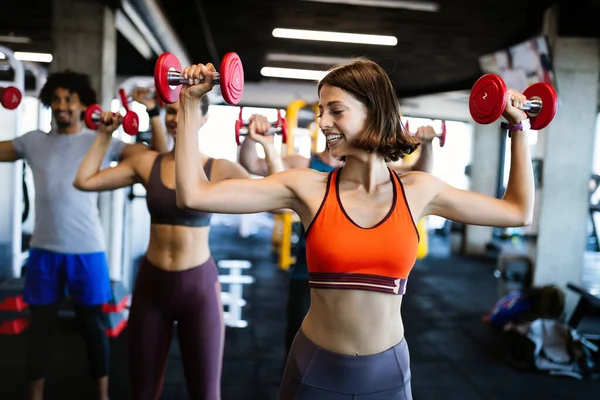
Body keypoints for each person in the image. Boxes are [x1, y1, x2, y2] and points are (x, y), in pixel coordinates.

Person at [174, 59, 534, 399]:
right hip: (315, 370)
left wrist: (519, 127)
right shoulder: (307, 188)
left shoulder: (420, 190)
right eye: (320, 112)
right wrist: (189, 104)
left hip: (389, 374)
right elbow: (193, 194)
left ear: (373, 111)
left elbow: (517, 211)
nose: (323, 122)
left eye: (336, 110)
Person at [73, 93, 279, 400]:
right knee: (142, 392)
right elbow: (84, 181)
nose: (175, 117)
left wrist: (265, 145)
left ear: (204, 118)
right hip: (151, 286)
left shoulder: (218, 168)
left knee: (206, 392)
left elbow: (278, 199)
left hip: (198, 289)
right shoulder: (146, 162)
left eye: (185, 110)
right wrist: (104, 136)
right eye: (171, 111)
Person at [0, 71, 148, 400]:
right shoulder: (33, 140)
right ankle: (34, 396)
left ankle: (102, 395)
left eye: (69, 99)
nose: (62, 105)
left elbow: (144, 159)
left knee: (93, 328)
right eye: (56, 99)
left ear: (83, 104)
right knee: (40, 330)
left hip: (87, 249)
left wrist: (124, 124)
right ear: (49, 103)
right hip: (43, 250)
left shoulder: (100, 141)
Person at [239, 118, 436, 356]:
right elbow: (251, 164)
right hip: (309, 272)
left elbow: (421, 177)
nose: (328, 123)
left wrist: (427, 144)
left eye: (338, 112)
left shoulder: (375, 174)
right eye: (324, 114)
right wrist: (251, 136)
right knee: (299, 347)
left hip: (360, 277)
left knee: (354, 349)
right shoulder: (304, 164)